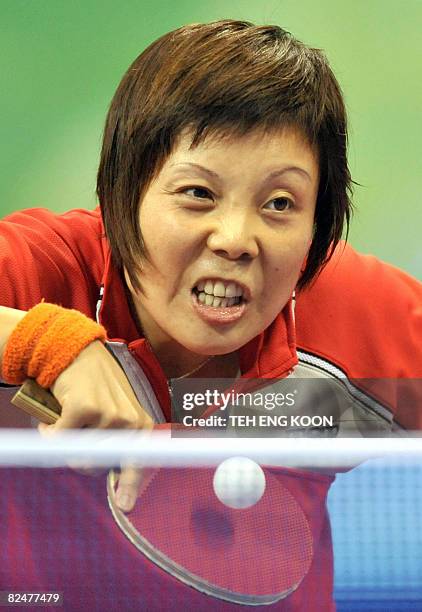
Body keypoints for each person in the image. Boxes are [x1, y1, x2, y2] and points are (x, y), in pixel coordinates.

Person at [0, 19, 420, 611]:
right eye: (198, 193)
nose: (236, 238)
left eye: (280, 203)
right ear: (124, 191)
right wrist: (45, 340)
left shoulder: (345, 311)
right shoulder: (46, 269)